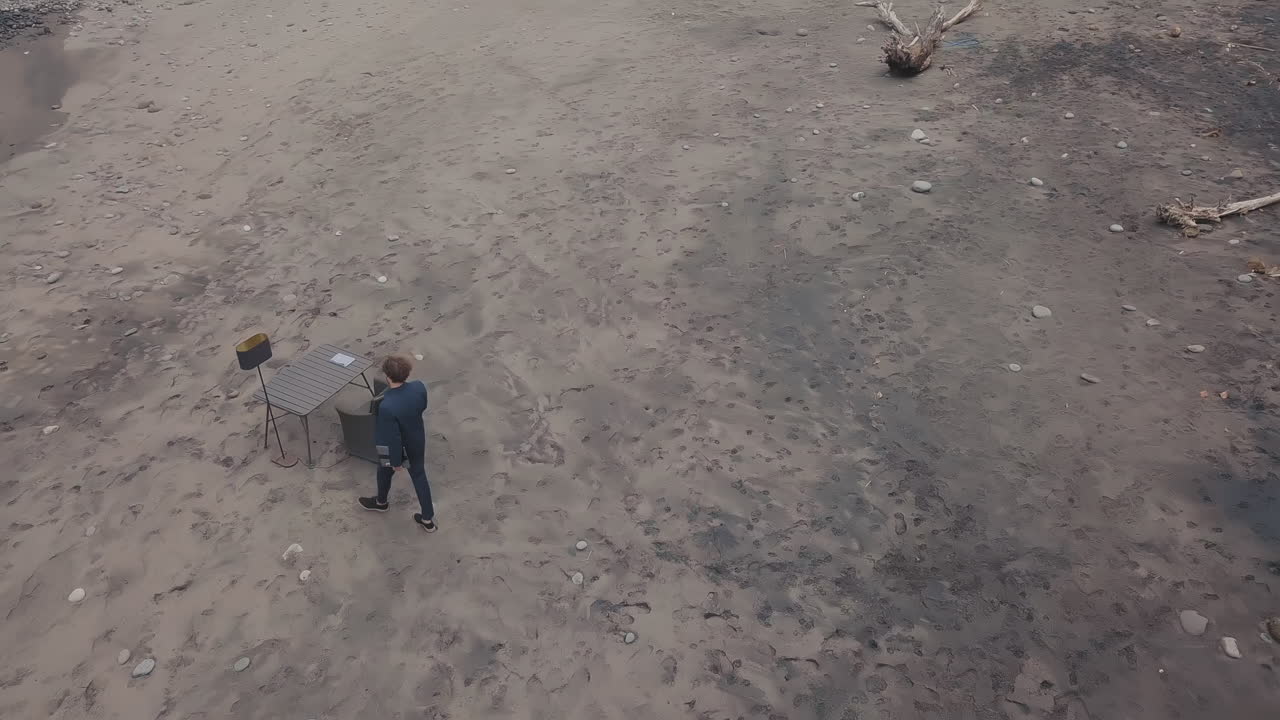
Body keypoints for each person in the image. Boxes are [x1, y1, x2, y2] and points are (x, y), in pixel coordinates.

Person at [359, 354, 436, 532]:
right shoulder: (419, 388)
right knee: (419, 476)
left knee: (383, 470)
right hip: (416, 439)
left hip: (397, 448)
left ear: (387, 376)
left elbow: (392, 437)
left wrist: (395, 462)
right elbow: (422, 406)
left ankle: (381, 502)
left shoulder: (387, 406)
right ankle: (427, 519)